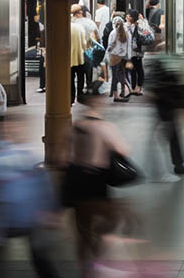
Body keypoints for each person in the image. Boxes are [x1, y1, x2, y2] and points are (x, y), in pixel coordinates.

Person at [0, 114, 60, 278]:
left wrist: (51, 210)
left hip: (28, 214)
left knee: (39, 257)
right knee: (0, 258)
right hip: (3, 216)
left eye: (15, 127)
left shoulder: (30, 153)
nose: (10, 130)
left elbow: (44, 184)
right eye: (6, 127)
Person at [65, 94, 130, 278]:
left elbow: (65, 157)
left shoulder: (75, 126)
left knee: (82, 228)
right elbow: (123, 149)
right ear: (97, 103)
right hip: (96, 180)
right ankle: (97, 255)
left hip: (75, 179)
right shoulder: (104, 127)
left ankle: (85, 269)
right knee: (111, 219)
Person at [148, 58, 184, 175]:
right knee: (173, 134)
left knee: (166, 133)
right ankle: (177, 164)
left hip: (162, 102)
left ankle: (173, 164)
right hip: (167, 103)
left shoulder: (157, 62)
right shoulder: (169, 61)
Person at [107, 17, 133, 102]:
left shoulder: (113, 33)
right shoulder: (127, 33)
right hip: (123, 57)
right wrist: (129, 58)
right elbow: (129, 46)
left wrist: (108, 53)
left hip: (114, 57)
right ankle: (125, 91)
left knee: (115, 76)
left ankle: (116, 96)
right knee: (122, 75)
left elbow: (109, 46)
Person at [69, 5, 90, 103]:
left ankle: (71, 98)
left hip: (68, 59)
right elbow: (84, 45)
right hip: (79, 57)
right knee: (81, 77)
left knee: (70, 79)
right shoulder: (79, 28)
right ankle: (80, 95)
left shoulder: (64, 27)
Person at [127, 11, 147, 96]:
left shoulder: (139, 26)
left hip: (136, 52)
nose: (127, 17)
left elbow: (146, 32)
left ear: (132, 17)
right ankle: (135, 88)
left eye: (129, 16)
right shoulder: (130, 25)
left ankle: (138, 88)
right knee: (134, 69)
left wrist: (142, 21)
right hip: (133, 51)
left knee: (138, 70)